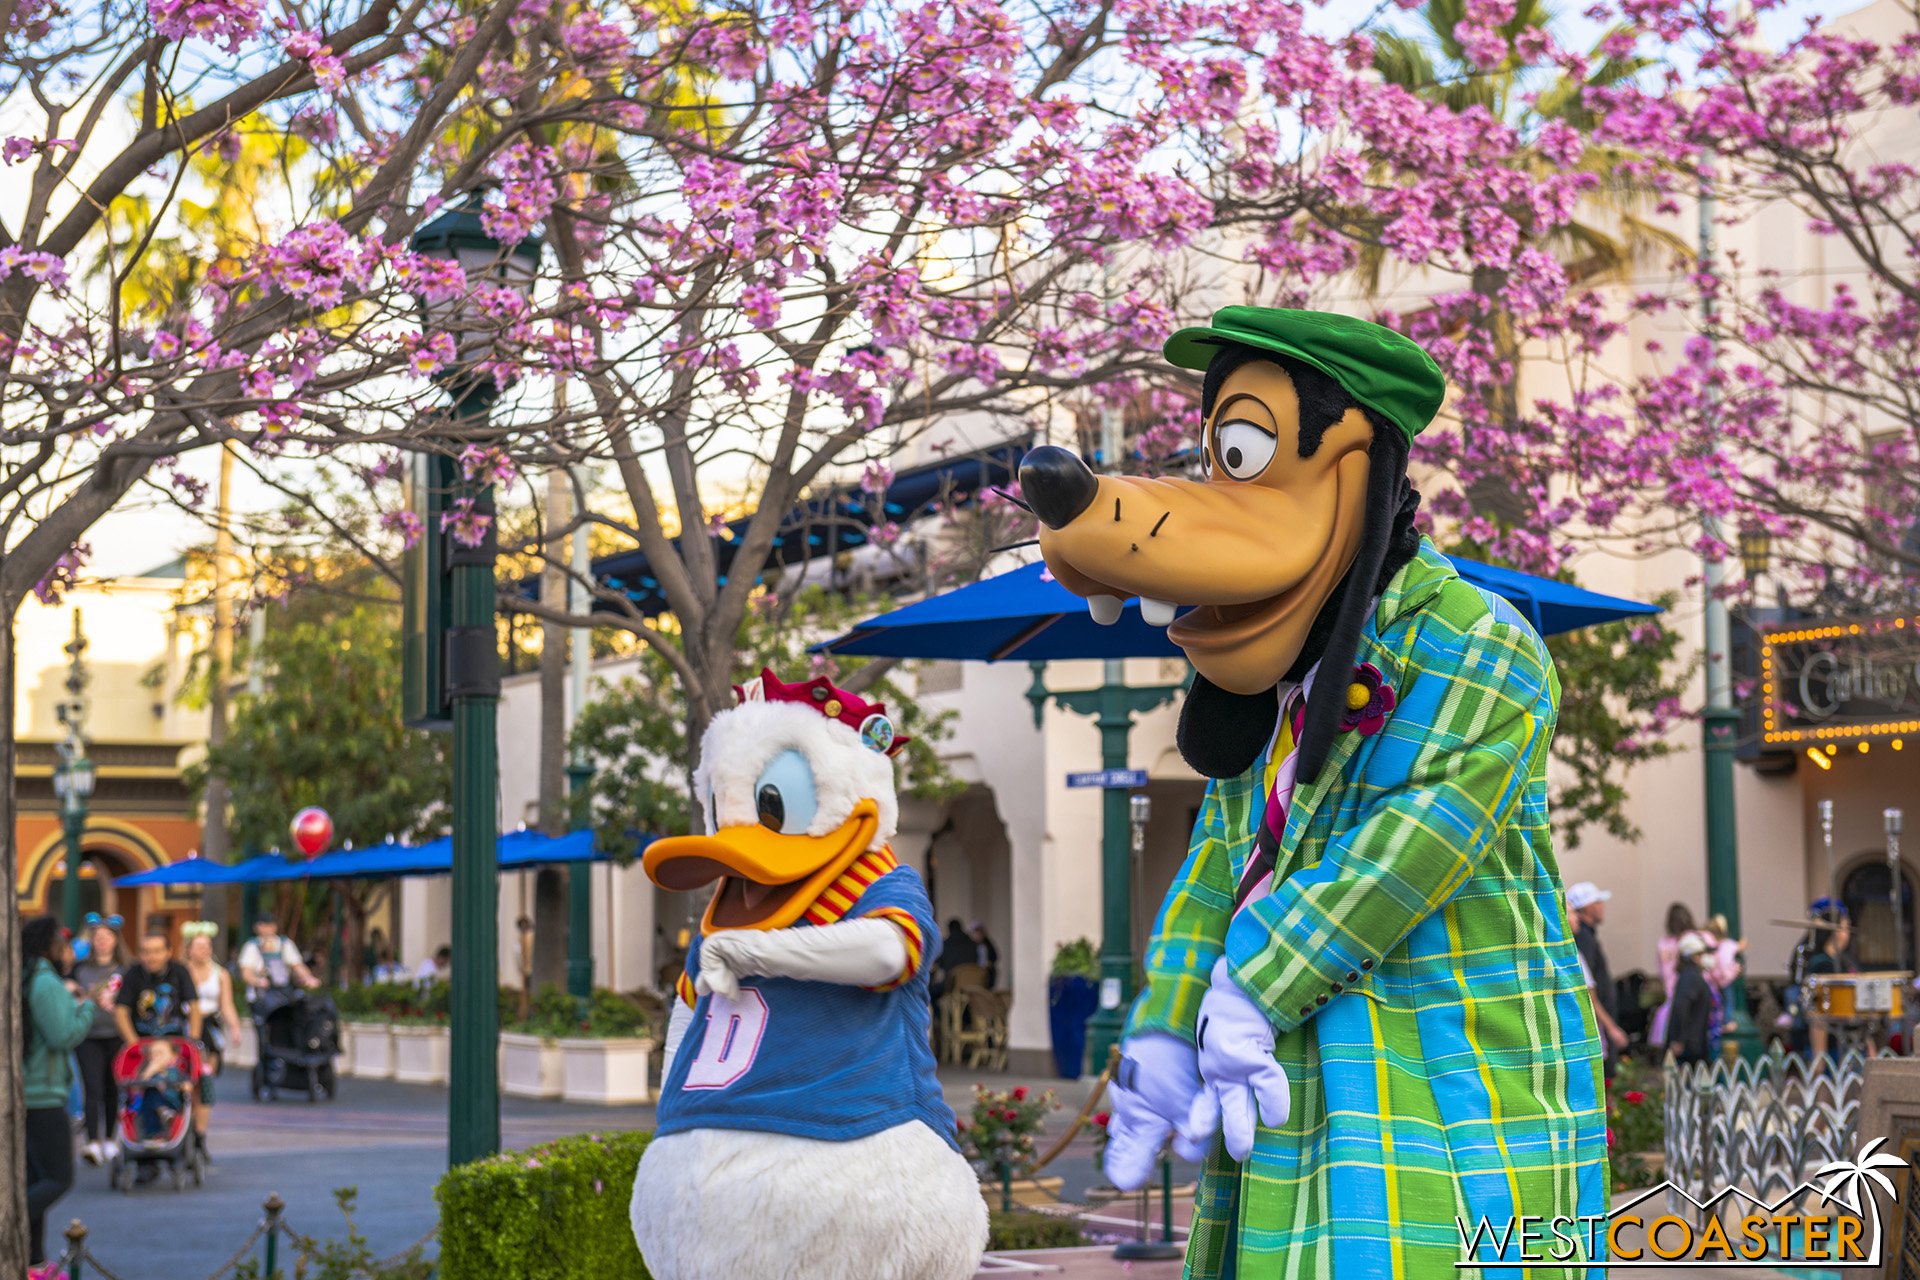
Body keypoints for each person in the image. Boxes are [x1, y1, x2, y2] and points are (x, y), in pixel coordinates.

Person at [22, 915, 98, 1275]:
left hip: (29, 1092)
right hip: (43, 1095)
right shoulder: (45, 981)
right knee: (58, 1178)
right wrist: (87, 1008)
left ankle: (33, 1261)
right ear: (48, 945)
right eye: (62, 943)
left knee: (36, 1179)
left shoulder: (28, 976)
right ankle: (10, 1220)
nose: (67, 951)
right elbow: (63, 1035)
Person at [71, 912, 126, 1168]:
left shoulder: (125, 971)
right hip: (88, 1036)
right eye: (98, 937)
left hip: (116, 1035)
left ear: (116, 940)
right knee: (92, 1088)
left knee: (113, 1087)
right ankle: (92, 1140)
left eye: (107, 937)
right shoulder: (80, 970)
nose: (102, 941)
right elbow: (68, 992)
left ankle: (110, 1138)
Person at [183, 922, 241, 1161]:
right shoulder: (181, 971)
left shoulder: (221, 974)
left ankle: (199, 1134)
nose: (204, 950)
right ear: (189, 949)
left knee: (203, 1082)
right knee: (186, 1082)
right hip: (185, 1027)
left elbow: (226, 1004)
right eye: (199, 946)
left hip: (210, 1029)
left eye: (207, 946)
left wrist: (235, 1027)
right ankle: (182, 1126)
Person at [1568, 881, 1628, 1071]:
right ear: (1587, 907)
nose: (1602, 907)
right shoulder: (1583, 939)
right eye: (1598, 903)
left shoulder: (1588, 936)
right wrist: (1611, 1028)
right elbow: (1587, 990)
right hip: (1597, 1027)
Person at [1665, 932, 1720, 1067]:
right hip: (1690, 1049)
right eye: (1702, 954)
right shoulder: (1691, 977)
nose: (1707, 958)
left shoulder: (1692, 976)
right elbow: (1681, 1007)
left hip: (1695, 1046)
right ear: (1694, 957)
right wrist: (1679, 1040)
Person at [1650, 901, 1697, 1047]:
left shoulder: (1663, 943)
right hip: (1690, 996)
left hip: (1670, 997)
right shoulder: (1692, 940)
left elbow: (1663, 971)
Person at [237, 916, 320, 991]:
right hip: (261, 993)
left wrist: (307, 977)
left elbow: (297, 965)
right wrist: (257, 981)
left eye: (271, 925)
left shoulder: (285, 943)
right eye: (265, 925)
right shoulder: (251, 946)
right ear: (257, 927)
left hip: (285, 990)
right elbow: (246, 972)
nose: (269, 928)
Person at [968, 920, 999, 989]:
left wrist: (989, 963)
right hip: (974, 971)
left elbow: (994, 957)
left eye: (979, 933)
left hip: (987, 972)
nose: (978, 936)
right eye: (976, 933)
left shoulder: (988, 944)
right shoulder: (970, 945)